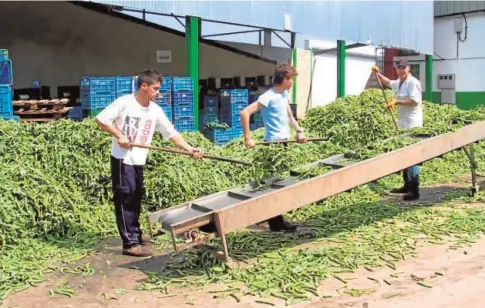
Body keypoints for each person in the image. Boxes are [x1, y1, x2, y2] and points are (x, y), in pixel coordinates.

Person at [95, 69, 203, 257]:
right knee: (125, 197)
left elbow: (171, 133)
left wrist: (188, 148)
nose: (158, 92)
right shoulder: (124, 103)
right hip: (123, 158)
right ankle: (129, 243)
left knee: (136, 196)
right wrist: (120, 135)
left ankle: (135, 232)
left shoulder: (155, 110)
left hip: (139, 158)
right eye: (156, 88)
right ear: (143, 86)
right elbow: (101, 120)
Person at [239, 62, 307, 232]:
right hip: (272, 145)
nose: (292, 83)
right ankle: (275, 223)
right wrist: (248, 138)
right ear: (285, 79)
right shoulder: (268, 96)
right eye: (291, 79)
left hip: (284, 143)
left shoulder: (284, 95)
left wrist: (299, 131)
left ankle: (277, 220)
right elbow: (244, 113)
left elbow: (289, 117)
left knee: (281, 181)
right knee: (274, 183)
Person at [372, 58, 423, 201]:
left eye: (403, 67)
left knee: (412, 156)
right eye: (399, 68)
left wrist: (396, 101)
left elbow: (414, 102)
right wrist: (378, 73)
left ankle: (414, 190)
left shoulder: (413, 83)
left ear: (409, 68)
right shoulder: (399, 82)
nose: (401, 70)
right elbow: (388, 83)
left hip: (412, 124)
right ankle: (407, 185)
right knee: (405, 154)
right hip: (402, 124)